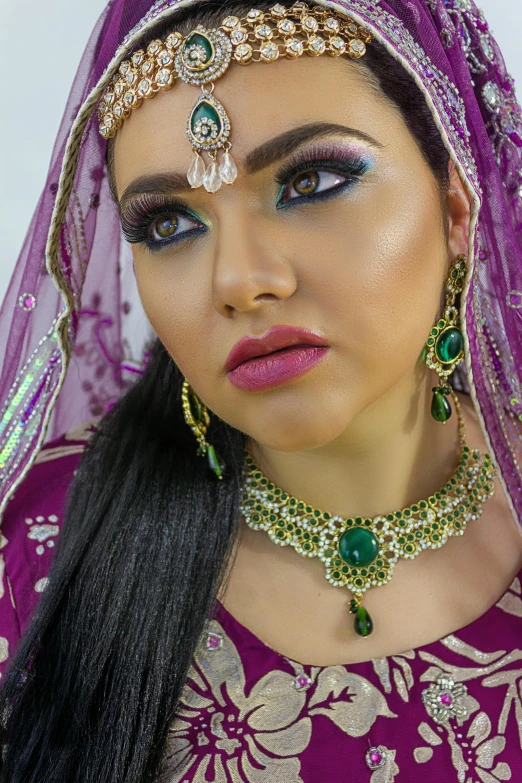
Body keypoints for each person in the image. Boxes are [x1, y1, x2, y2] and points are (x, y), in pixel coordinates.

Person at [0, 0, 521, 780]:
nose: (240, 281)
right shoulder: (34, 552)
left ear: (455, 203)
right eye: (169, 225)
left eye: (311, 180)